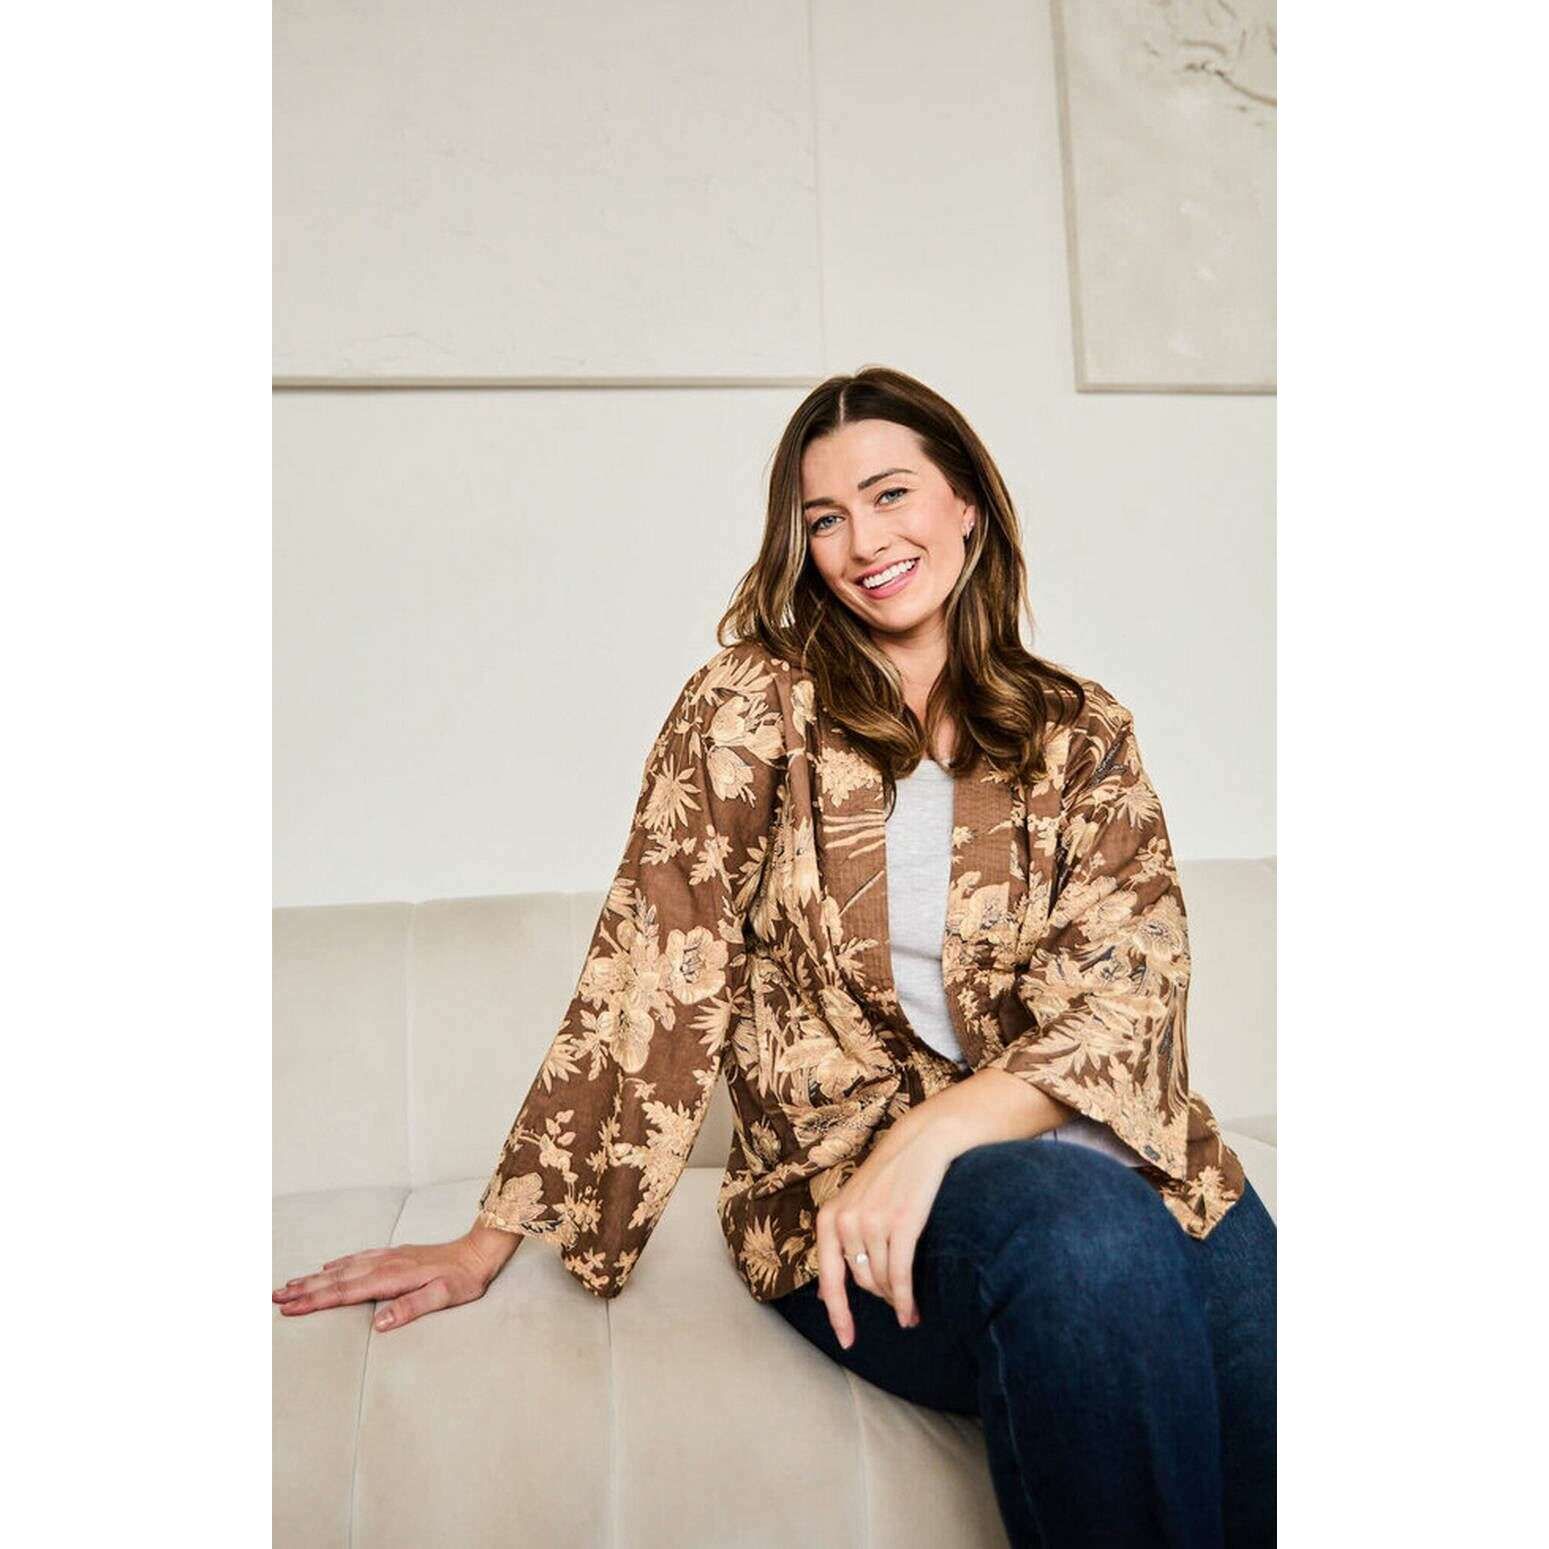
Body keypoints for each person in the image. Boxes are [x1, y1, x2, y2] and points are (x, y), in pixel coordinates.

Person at [273, 365, 1276, 1546]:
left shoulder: (1079, 728)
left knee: (1260, 1350)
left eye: (891, 494)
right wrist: (488, 1236)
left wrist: (938, 1131)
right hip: (860, 1194)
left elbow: (1133, 983)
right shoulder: (748, 708)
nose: (864, 542)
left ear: (965, 502)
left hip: (1106, 1157)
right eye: (825, 518)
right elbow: (650, 969)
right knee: (1087, 1235)